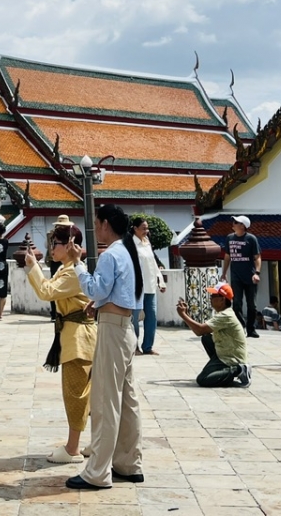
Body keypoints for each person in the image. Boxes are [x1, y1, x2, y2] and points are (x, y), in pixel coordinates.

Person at [64, 203, 144, 491]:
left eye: (97, 224)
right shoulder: (130, 251)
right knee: (128, 401)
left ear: (106, 224)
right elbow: (120, 293)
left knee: (105, 401)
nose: (96, 229)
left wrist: (77, 263)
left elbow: (96, 288)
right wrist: (98, 305)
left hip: (112, 331)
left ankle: (98, 471)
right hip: (126, 327)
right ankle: (129, 463)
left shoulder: (111, 254)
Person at [22, 220, 97, 463]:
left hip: (78, 338)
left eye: (56, 243)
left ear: (70, 245)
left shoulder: (72, 272)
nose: (52, 248)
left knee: (75, 395)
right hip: (77, 335)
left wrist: (33, 267)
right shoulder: (67, 269)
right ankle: (95, 443)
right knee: (87, 394)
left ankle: (73, 448)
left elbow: (47, 292)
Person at [176, 282, 252, 388]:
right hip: (224, 353)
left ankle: (239, 369)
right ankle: (221, 371)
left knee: (203, 380)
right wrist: (187, 314)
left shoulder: (226, 315)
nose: (210, 298)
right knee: (206, 338)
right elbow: (202, 329)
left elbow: (199, 330)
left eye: (214, 296)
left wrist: (183, 315)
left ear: (222, 299)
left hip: (232, 358)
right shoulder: (223, 313)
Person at [221, 215, 261, 338]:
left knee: (252, 305)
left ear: (243, 226)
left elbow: (257, 257)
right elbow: (227, 257)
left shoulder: (251, 239)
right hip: (236, 276)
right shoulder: (229, 238)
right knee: (236, 303)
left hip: (249, 276)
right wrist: (224, 273)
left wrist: (257, 273)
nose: (233, 224)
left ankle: (251, 329)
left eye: (236, 222)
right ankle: (240, 327)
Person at [130, 216, 165, 355]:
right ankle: (134, 346)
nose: (146, 231)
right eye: (143, 228)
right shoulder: (131, 244)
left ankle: (148, 346)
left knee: (152, 315)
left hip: (150, 285)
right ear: (135, 229)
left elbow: (153, 264)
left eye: (147, 228)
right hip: (137, 286)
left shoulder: (147, 242)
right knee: (135, 317)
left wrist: (160, 280)